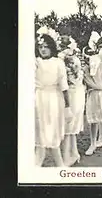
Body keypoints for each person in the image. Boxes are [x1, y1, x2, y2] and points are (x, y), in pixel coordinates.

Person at [35, 32, 73, 167]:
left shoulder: (58, 62)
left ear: (52, 47)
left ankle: (59, 165)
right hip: (38, 99)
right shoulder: (36, 62)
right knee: (40, 133)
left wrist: (68, 107)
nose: (43, 49)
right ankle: (40, 163)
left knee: (52, 132)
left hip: (54, 99)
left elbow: (64, 86)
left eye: (46, 46)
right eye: (40, 47)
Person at [60, 40, 85, 167]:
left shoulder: (70, 60)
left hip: (73, 94)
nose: (62, 49)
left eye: (64, 46)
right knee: (70, 126)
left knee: (69, 126)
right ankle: (74, 154)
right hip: (74, 92)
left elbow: (72, 80)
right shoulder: (64, 59)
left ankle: (66, 158)